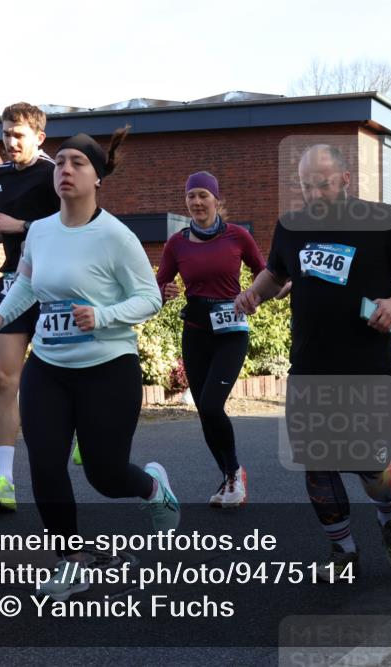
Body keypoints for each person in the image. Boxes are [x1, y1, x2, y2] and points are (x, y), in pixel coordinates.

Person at [0, 129, 177, 600]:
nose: (65, 170)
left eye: (77, 164)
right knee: (46, 465)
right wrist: (1, 316)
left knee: (105, 475)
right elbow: (27, 284)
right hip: (50, 365)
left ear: (96, 178)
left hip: (108, 367)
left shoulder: (115, 236)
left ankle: (154, 489)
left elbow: (149, 297)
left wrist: (104, 314)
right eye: (61, 162)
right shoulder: (42, 231)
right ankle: (72, 562)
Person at [235, 144, 391, 578]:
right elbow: (276, 273)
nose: (314, 193)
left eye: (323, 184)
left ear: (344, 179)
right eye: (306, 186)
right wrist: (255, 293)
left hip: (367, 365)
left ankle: (388, 519)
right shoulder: (291, 226)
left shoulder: (381, 220)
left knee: (370, 463)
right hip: (310, 363)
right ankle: (344, 552)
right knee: (316, 461)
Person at [0, 103, 63, 512]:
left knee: (60, 375)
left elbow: (73, 225)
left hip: (55, 285)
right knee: (5, 378)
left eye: (17, 135)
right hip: (12, 282)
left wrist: (22, 227)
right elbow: (10, 237)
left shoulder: (57, 173)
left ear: (38, 137)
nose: (9, 142)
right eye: (5, 134)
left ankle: (81, 436)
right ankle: (4, 481)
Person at [157, 172, 270, 508]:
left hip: (231, 331)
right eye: (191, 196)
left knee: (210, 404)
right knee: (206, 412)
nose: (196, 202)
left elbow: (265, 272)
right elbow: (157, 286)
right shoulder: (176, 243)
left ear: (217, 201)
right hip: (195, 331)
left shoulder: (238, 236)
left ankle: (235, 473)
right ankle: (228, 478)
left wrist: (254, 295)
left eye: (203, 195)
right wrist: (162, 292)